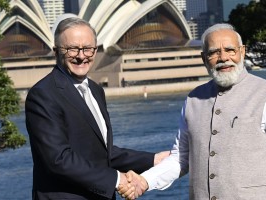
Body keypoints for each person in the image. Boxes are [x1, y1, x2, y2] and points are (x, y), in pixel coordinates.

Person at [119, 23, 266, 200]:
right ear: (204, 59)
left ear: (242, 52)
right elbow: (181, 158)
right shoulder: (193, 99)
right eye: (214, 52)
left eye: (230, 50)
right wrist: (144, 181)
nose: (223, 57)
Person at [25, 17, 168, 200]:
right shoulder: (43, 95)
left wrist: (153, 160)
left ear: (95, 49)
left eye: (87, 48)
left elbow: (101, 153)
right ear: (56, 52)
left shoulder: (95, 90)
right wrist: (118, 180)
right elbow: (58, 159)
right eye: (72, 49)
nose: (81, 56)